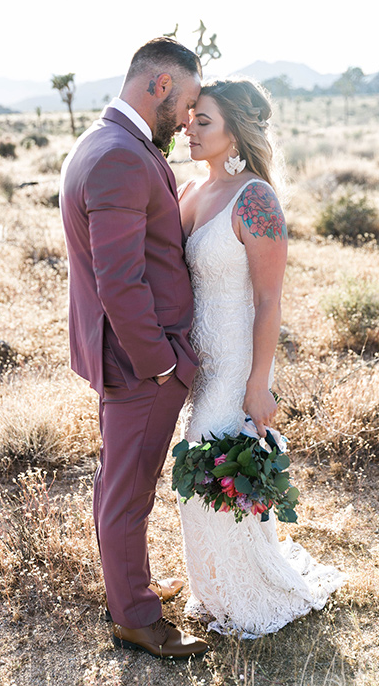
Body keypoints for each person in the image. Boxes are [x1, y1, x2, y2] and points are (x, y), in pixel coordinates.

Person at [177, 79, 345, 638]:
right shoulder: (192, 191)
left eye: (205, 121)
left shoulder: (256, 198)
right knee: (199, 476)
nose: (191, 129)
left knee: (214, 477)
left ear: (236, 132)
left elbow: (271, 299)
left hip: (236, 365)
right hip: (197, 366)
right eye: (191, 118)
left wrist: (257, 384)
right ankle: (216, 585)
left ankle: (246, 596)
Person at [59, 37, 208, 659]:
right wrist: (163, 363)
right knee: (128, 489)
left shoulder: (107, 142)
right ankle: (138, 619)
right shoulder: (120, 156)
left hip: (128, 359)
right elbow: (120, 282)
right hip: (140, 364)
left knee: (120, 483)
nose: (188, 118)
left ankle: (131, 586)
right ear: (159, 87)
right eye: (188, 103)